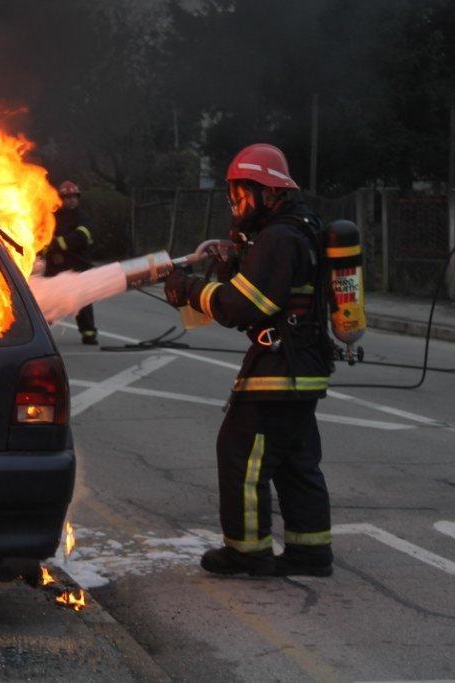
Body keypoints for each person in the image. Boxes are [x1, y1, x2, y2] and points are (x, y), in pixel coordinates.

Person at [163, 143, 334, 577]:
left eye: (240, 194)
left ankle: (247, 552)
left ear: (264, 192)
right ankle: (310, 551)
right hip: (304, 366)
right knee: (296, 461)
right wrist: (236, 260)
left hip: (278, 368)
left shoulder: (278, 238)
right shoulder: (302, 227)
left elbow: (243, 307)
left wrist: (190, 290)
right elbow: (274, 290)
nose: (235, 204)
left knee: (241, 454)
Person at [45, 180, 99, 344]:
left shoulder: (83, 217)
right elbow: (44, 237)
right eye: (67, 197)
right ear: (61, 199)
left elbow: (83, 236)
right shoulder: (53, 217)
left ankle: (88, 333)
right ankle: (41, 333)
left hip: (78, 265)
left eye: (74, 197)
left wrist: (58, 243)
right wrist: (50, 250)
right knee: (50, 300)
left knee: (82, 300)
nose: (71, 200)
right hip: (56, 265)